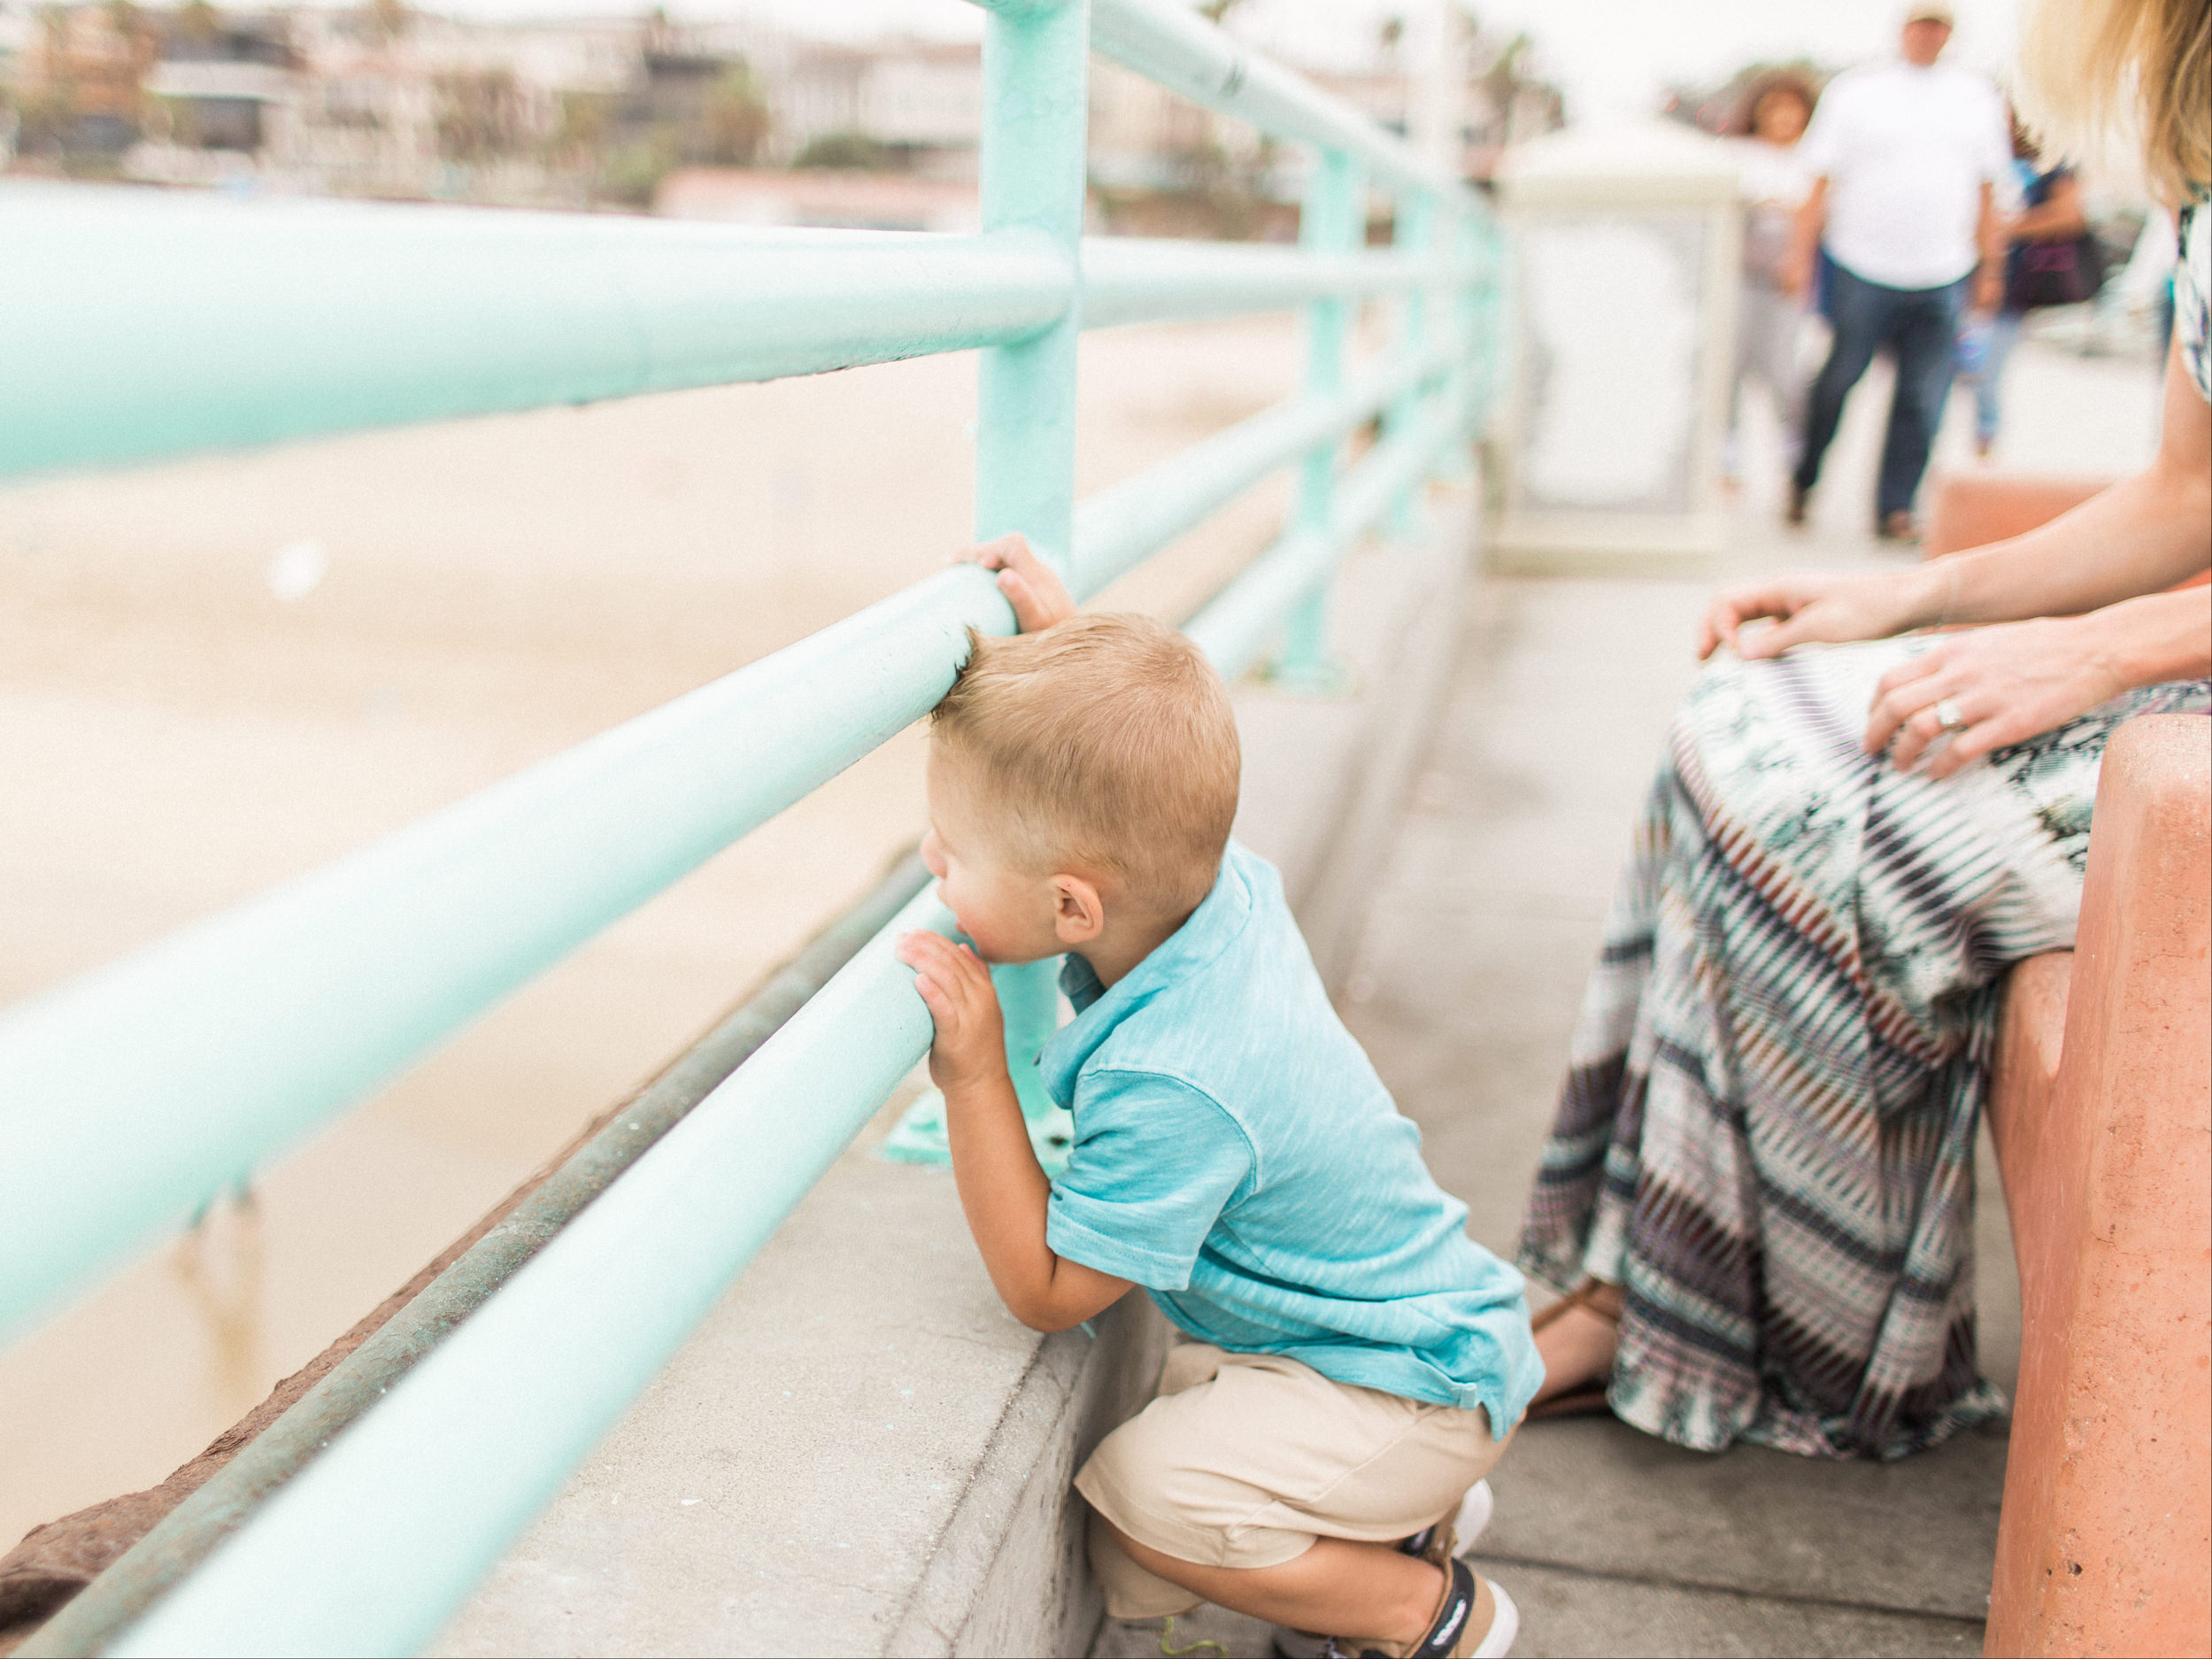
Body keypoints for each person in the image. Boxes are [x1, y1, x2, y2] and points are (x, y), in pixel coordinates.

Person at [1517, 0, 2208, 1461]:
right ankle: (1639, 1278)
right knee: (1733, 725)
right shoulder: (2197, 161)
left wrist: (2088, 651)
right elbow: (2182, 495)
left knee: (1836, 820)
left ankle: (1810, 1347)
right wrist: (1894, 601)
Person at [893, 541, 1541, 1658]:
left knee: (1150, 1494)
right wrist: (1064, 656)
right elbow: (1136, 787)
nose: (927, 857)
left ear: (1069, 905)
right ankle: (1396, 1524)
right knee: (1138, 1554)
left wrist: (974, 1073)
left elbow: (1049, 1290)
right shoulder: (1215, 891)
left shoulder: (1175, 1074)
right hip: (1392, 1342)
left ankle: (1428, 1611)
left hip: (1409, 1385)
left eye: (952, 856)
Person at [1780, 1, 2015, 541]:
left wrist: (1991, 271)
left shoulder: (1975, 97)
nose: (1928, 35)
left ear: (1950, 34)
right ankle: (1804, 477)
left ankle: (1895, 507)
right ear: (1903, 29)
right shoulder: (1856, 92)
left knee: (1921, 397)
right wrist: (1801, 260)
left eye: (1939, 26)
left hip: (1942, 269)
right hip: (1861, 263)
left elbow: (1988, 192)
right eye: (1921, 24)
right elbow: (1817, 183)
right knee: (1837, 381)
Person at [1960, 121, 2093, 457]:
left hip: (2013, 285)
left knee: (1987, 366)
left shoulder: (2051, 163)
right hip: (1958, 275)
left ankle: (1984, 440)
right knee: (1958, 364)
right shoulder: (1974, 151)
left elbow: (2071, 214)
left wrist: (2005, 229)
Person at [1724, 70, 1822, 489]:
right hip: (1738, 276)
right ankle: (1725, 459)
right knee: (1730, 365)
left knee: (1783, 371)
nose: (1783, 117)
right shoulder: (1734, 155)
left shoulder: (1815, 160)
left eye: (1792, 108)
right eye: (1774, 108)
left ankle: (1793, 453)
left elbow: (1819, 217)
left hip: (1785, 282)